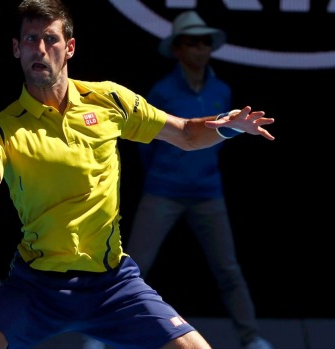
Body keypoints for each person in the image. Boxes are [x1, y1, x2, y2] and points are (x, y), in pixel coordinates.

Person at [0, 1, 274, 348]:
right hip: (37, 286)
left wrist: (228, 127)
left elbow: (187, 134)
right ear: (17, 49)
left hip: (113, 284)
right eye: (31, 39)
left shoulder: (109, 100)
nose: (40, 49)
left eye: (50, 39)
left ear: (70, 48)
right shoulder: (0, 130)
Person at [119, 11, 274, 349]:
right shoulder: (160, 91)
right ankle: (98, 335)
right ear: (178, 49)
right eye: (192, 42)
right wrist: (166, 174)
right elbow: (146, 144)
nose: (201, 48)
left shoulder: (222, 89)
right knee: (132, 267)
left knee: (228, 270)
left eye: (205, 42)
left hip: (208, 193)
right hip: (162, 190)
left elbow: (222, 140)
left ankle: (251, 339)